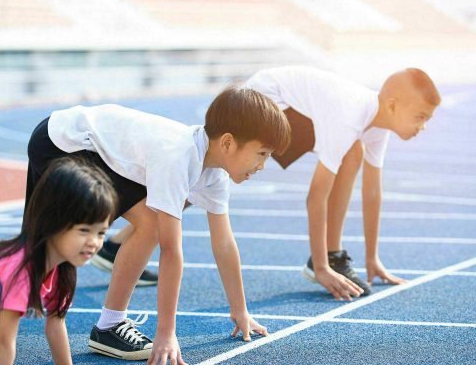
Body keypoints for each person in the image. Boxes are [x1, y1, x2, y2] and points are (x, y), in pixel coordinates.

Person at [25, 87, 292, 363]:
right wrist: (166, 333)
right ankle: (108, 325)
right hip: (63, 141)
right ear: (227, 143)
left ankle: (106, 325)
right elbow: (170, 250)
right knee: (141, 225)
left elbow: (224, 243)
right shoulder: (177, 156)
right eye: (261, 153)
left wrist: (240, 310)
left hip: (87, 144)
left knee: (42, 244)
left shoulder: (214, 174)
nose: (262, 165)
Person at [244, 66, 441, 300]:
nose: (423, 126)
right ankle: (328, 259)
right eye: (419, 117)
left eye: (427, 119)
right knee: (353, 150)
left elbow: (372, 193)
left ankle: (332, 256)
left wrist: (372, 258)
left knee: (353, 151)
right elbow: (316, 197)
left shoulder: (378, 125)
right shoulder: (349, 119)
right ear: (391, 106)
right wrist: (320, 269)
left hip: (284, 102)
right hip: (262, 100)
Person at [0, 157, 118, 364]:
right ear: (52, 222)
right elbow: (4, 343)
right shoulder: (22, 268)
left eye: (101, 232)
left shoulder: (62, 271)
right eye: (84, 230)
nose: (94, 242)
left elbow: (56, 326)